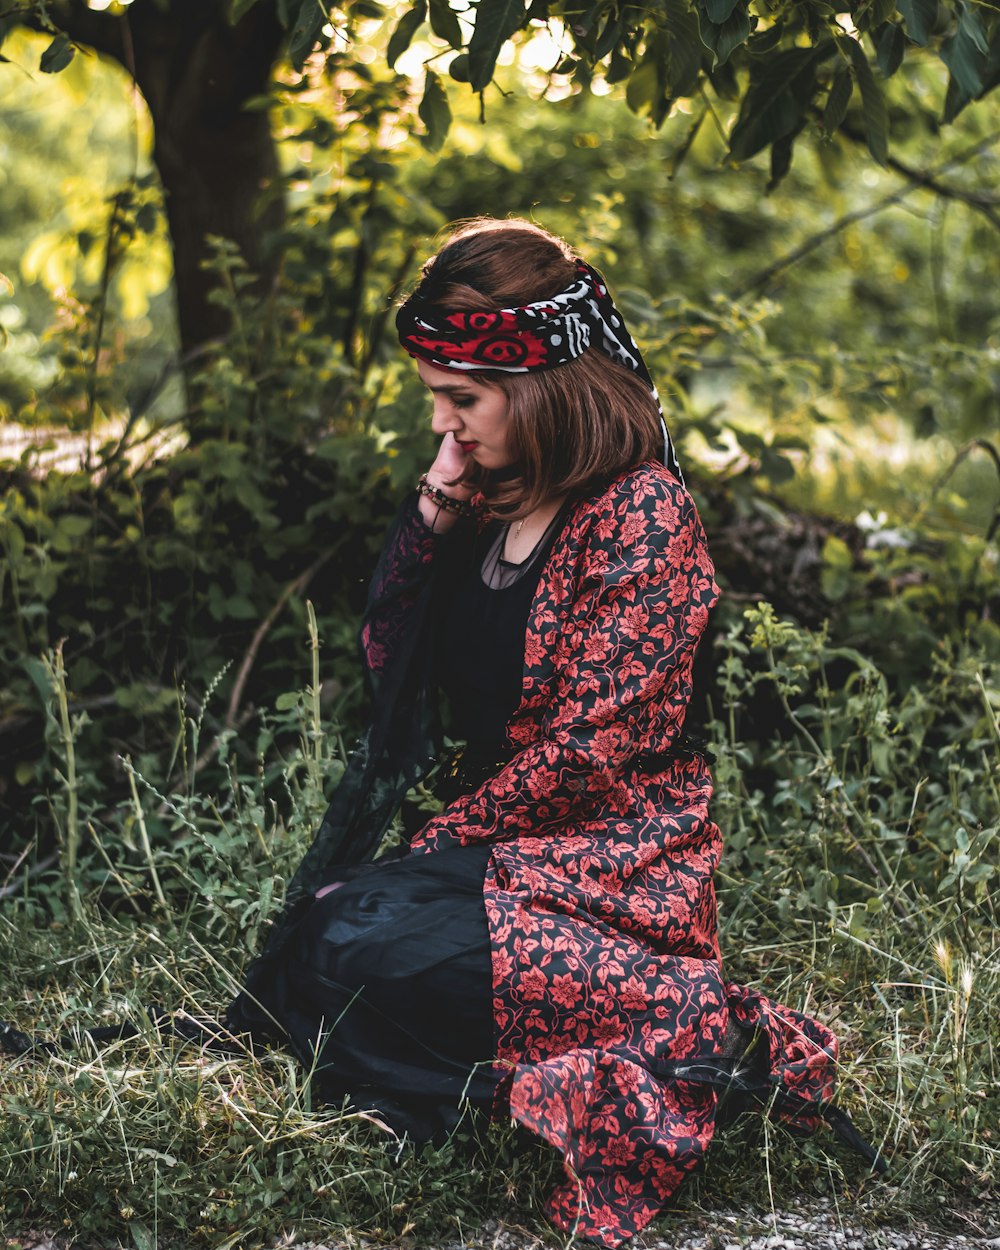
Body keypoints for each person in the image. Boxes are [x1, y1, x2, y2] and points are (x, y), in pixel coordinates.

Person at [227, 219, 848, 1248]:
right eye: (436, 397)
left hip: (611, 874)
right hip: (505, 850)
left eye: (461, 400)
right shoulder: (490, 495)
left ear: (541, 386)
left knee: (355, 941)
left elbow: (587, 752)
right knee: (335, 921)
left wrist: (439, 843)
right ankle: (455, 1051)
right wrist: (434, 499)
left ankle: (682, 1026)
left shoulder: (639, 516)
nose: (446, 424)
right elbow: (394, 658)